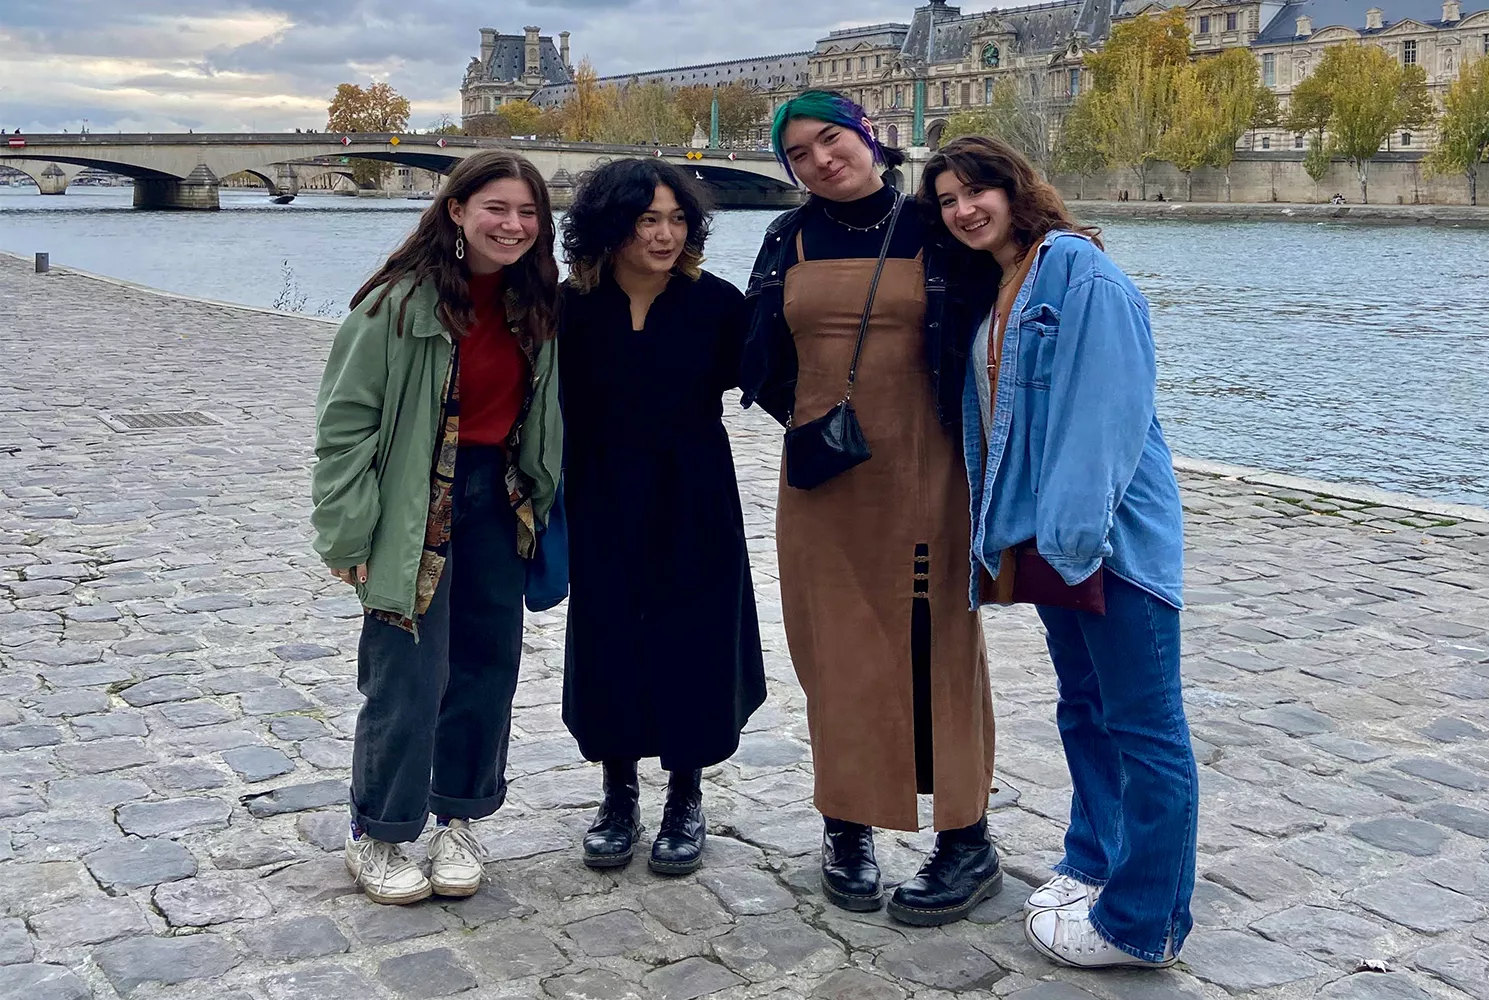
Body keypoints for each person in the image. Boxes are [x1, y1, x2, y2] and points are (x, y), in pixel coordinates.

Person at [921, 136, 1195, 969]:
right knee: (1083, 707)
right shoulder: (1004, 279)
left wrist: (1075, 545)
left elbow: (1106, 416)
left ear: (1014, 188)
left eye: (976, 192)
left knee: (1146, 729)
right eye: (946, 201)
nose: (963, 210)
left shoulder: (1079, 270)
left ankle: (1144, 923)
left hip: (1106, 542)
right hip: (1054, 541)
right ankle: (1094, 860)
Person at [741, 90, 999, 926]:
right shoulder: (787, 238)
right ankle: (845, 823)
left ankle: (966, 837)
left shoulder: (936, 222)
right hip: (826, 478)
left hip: (934, 469)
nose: (821, 160)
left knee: (940, 648)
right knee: (836, 652)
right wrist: (813, 423)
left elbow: (1017, 289)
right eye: (800, 154)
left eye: (831, 139)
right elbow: (759, 352)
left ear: (868, 136)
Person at [311, 149, 563, 905]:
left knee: (488, 668)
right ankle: (379, 832)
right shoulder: (395, 304)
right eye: (497, 208)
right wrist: (347, 532)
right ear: (456, 210)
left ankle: (459, 816)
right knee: (406, 677)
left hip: (499, 502)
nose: (513, 225)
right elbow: (345, 426)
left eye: (528, 213)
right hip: (414, 503)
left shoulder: (537, 304)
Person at [559, 158, 765, 876]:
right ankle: (618, 794)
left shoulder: (716, 304)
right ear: (612, 224)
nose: (666, 233)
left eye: (678, 219)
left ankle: (685, 796)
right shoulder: (569, 309)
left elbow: (784, 381)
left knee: (696, 640)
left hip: (695, 495)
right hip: (600, 493)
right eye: (649, 219)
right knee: (608, 636)